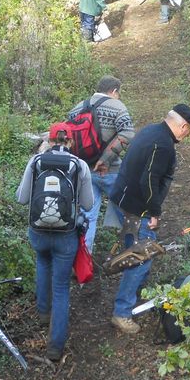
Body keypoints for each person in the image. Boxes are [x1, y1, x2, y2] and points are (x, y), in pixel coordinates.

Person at [108, 103, 190, 333]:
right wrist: (154, 212)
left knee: (135, 252)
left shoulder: (151, 130)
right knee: (141, 258)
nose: (186, 136)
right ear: (183, 126)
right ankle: (122, 313)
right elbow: (148, 181)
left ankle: (134, 295)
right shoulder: (164, 146)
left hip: (123, 199)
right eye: (188, 131)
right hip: (137, 208)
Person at [16, 122, 95, 361]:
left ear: (49, 140)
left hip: (38, 233)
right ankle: (55, 347)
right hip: (66, 237)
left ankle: (43, 312)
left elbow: (21, 199)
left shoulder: (36, 161)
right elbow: (89, 204)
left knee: (42, 264)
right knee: (61, 287)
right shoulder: (79, 165)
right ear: (70, 142)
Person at [69, 75, 136, 256]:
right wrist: (105, 159)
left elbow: (68, 139)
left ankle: (83, 261)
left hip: (84, 172)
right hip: (110, 171)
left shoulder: (77, 108)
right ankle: (133, 253)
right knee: (128, 211)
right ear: (114, 91)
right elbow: (128, 134)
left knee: (87, 217)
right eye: (118, 93)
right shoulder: (117, 106)